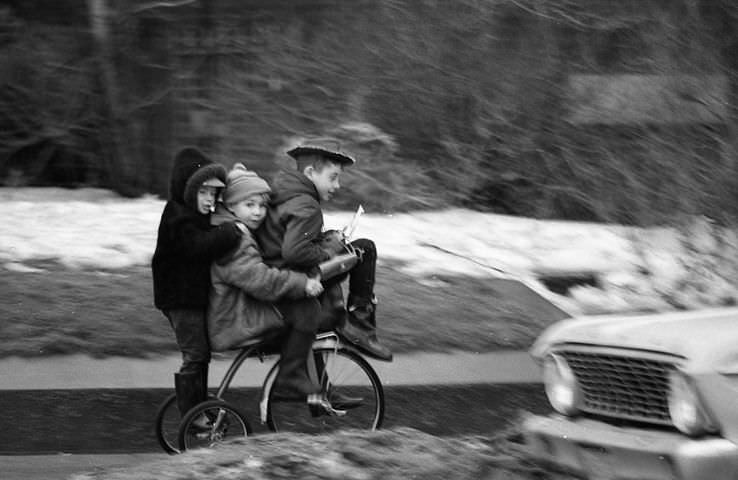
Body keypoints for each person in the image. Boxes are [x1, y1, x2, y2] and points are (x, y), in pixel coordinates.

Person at [257, 138, 393, 361]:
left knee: (322, 315)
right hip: (294, 284)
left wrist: (326, 239)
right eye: (333, 177)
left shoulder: (286, 194)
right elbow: (295, 252)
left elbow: (288, 240)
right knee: (365, 249)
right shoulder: (307, 205)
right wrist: (329, 251)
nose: (337, 186)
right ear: (310, 172)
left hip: (279, 279)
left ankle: (322, 390)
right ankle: (360, 328)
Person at [207, 163, 326, 402]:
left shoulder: (229, 227)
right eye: (249, 205)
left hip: (234, 310)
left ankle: (302, 379)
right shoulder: (234, 238)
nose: (258, 212)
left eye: (262, 205)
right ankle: (289, 378)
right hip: (234, 320)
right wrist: (301, 283)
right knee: (307, 309)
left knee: (296, 310)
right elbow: (260, 280)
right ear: (230, 205)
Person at [151, 147, 243, 422]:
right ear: (187, 190)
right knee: (195, 354)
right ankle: (194, 417)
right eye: (203, 192)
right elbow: (197, 246)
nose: (209, 199)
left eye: (213, 193)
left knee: (200, 354)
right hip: (179, 297)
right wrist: (229, 232)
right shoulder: (177, 216)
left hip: (191, 295)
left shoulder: (193, 214)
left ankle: (198, 404)